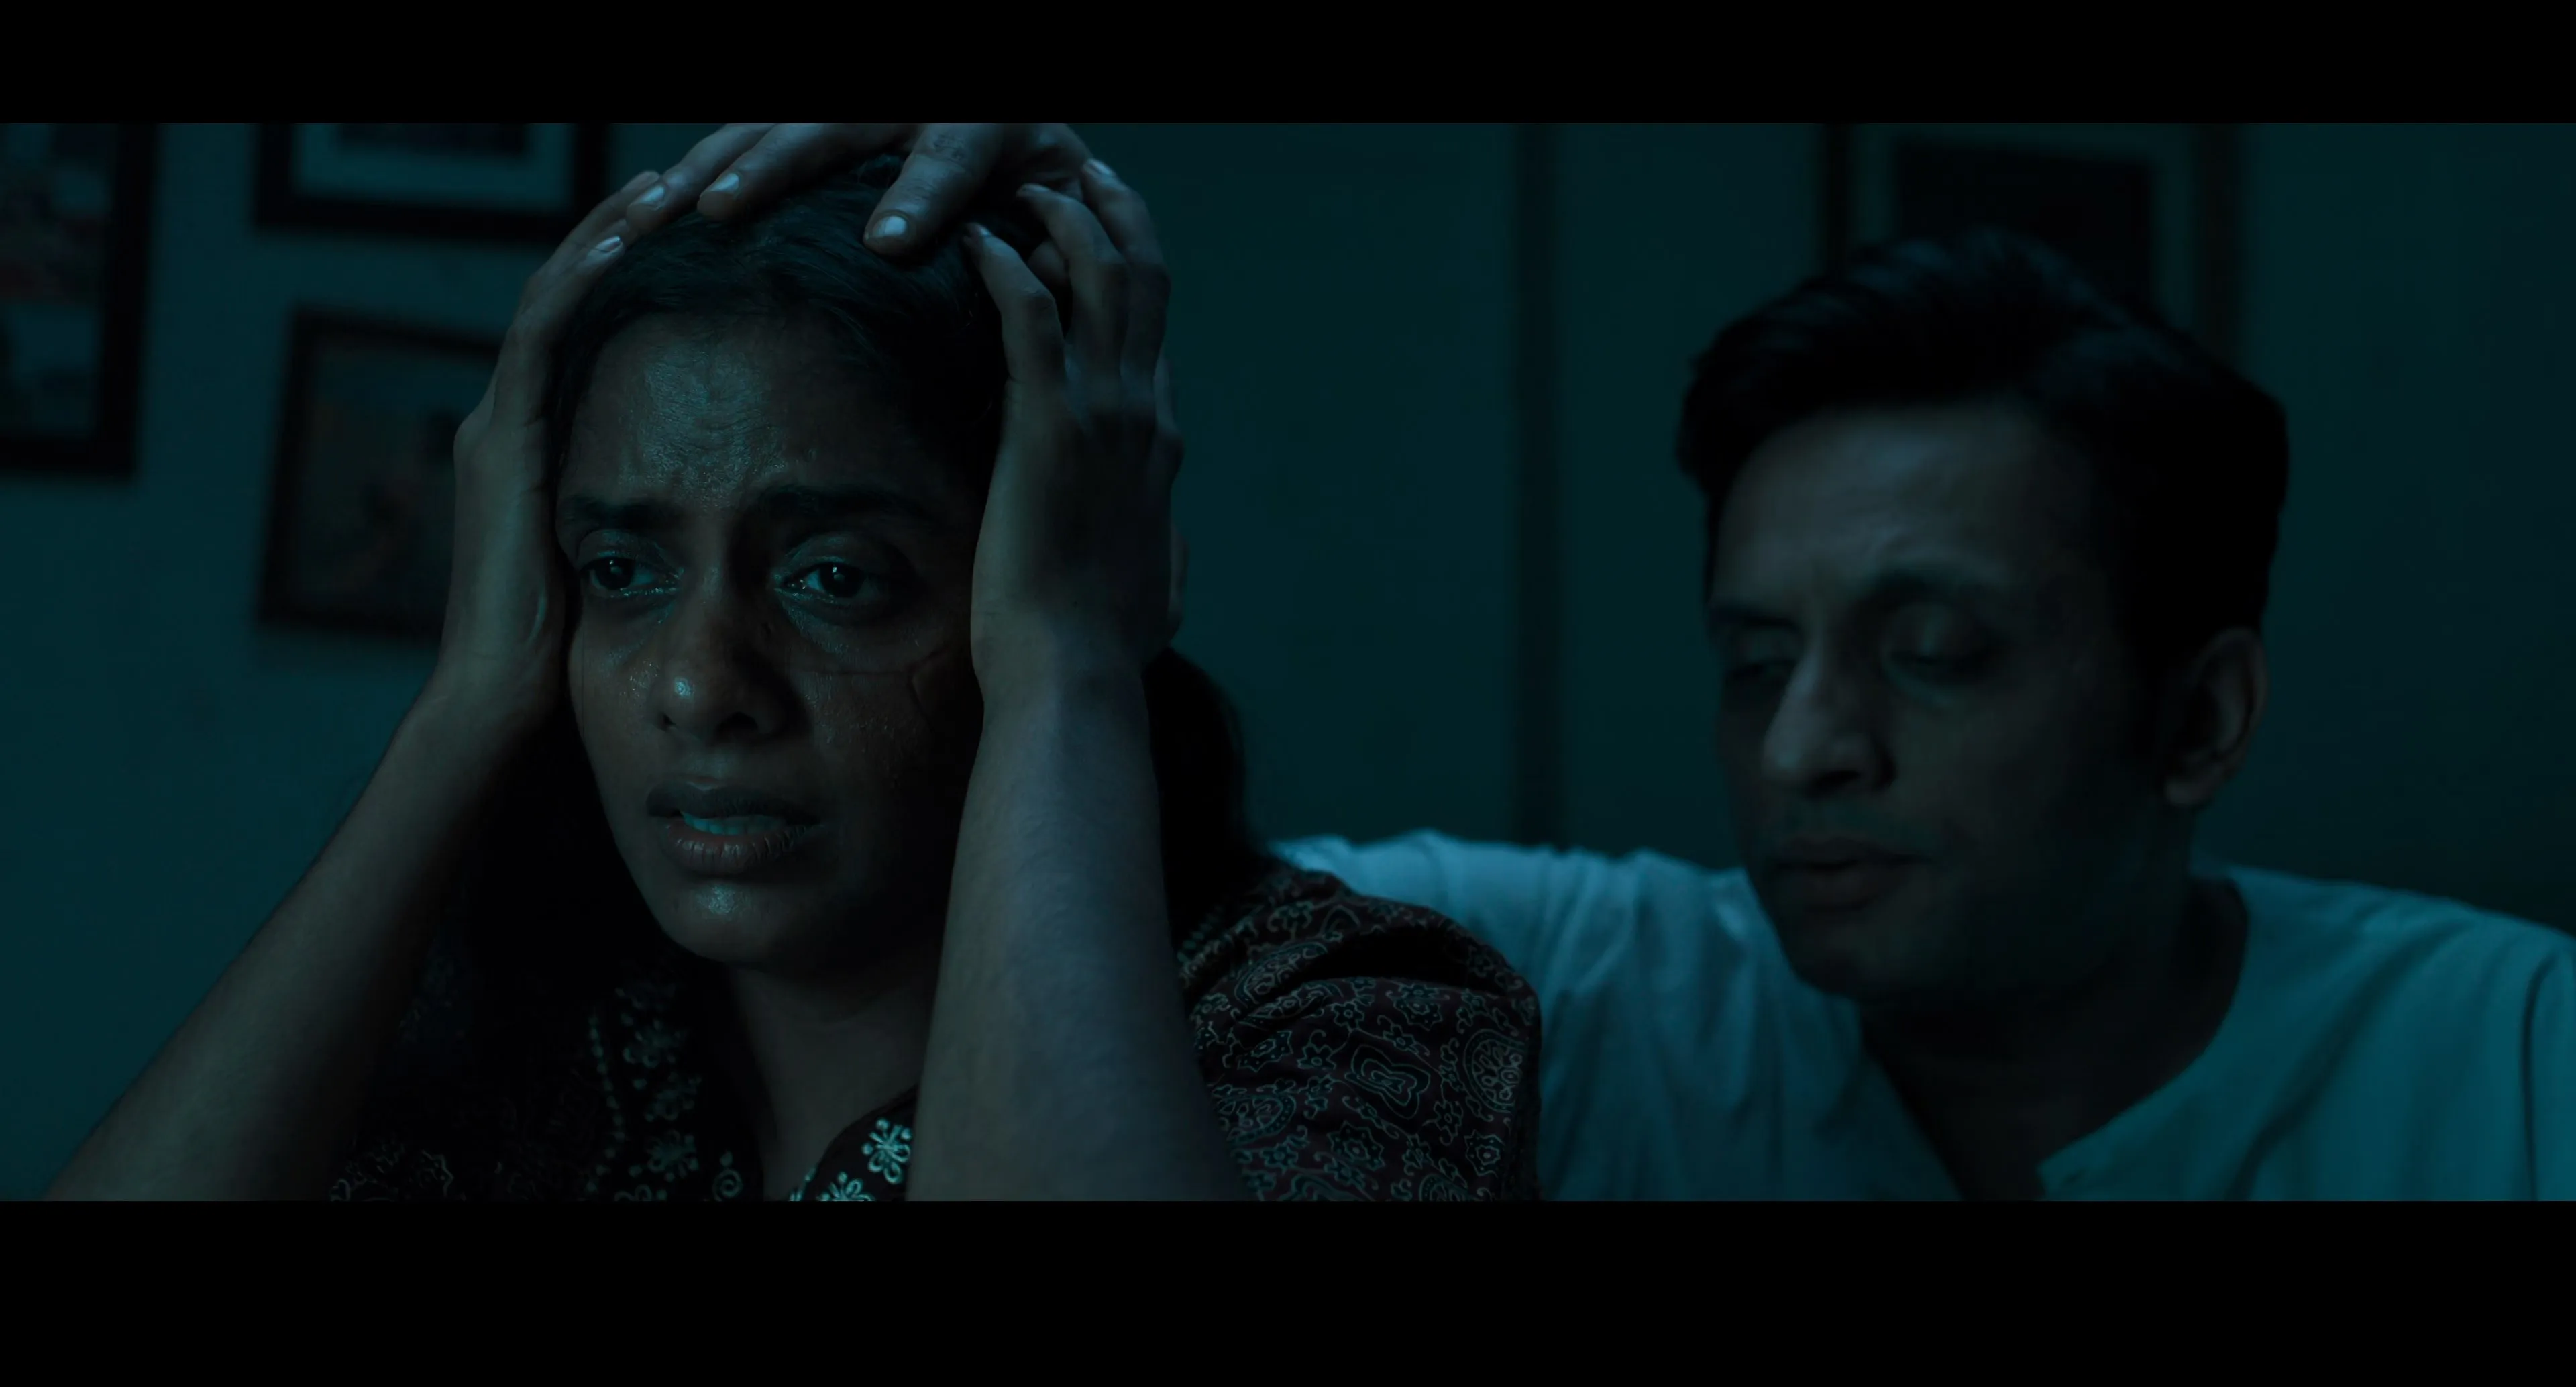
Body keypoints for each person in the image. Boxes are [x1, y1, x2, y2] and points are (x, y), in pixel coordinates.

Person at [587, 125, 2576, 1199]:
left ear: (2200, 716)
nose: (1808, 748)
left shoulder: (2515, 1061)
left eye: (1936, 656)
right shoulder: (1601, 988)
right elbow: (1031, 915)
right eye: (1754, 658)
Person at [44, 144, 1540, 1202]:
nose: (699, 687)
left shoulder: (1353, 1022)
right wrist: (468, 703)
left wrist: (1071, 668)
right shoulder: (540, 1046)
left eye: (836, 579)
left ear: (1054, 575)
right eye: (622, 572)